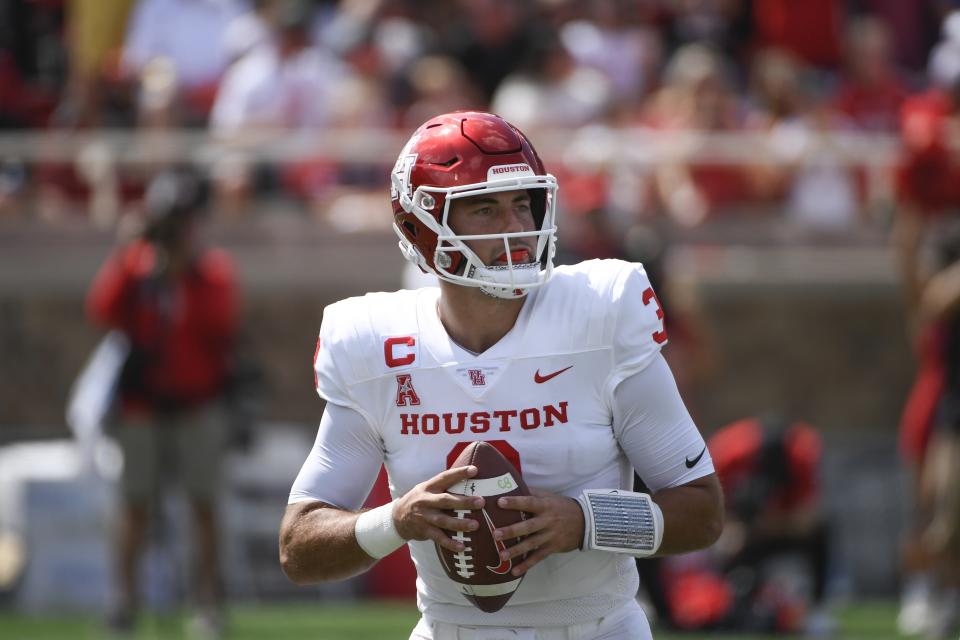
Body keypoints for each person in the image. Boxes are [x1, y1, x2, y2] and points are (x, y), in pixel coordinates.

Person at [279, 111, 724, 639]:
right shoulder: (377, 344)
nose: (515, 228)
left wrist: (584, 523)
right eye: (485, 209)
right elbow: (298, 547)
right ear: (421, 227)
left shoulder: (599, 315)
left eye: (522, 204)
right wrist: (395, 520)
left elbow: (702, 510)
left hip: (597, 628)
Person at [86, 169, 238, 638]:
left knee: (204, 505)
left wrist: (183, 273)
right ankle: (122, 604)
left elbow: (222, 325)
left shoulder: (211, 272)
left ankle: (208, 604)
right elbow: (103, 311)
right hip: (142, 407)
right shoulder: (136, 268)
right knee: (133, 505)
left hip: (198, 405)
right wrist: (127, 255)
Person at [707, 415, 832, 635]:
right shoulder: (729, 452)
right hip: (741, 530)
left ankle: (817, 609)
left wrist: (761, 528)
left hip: (772, 528)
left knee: (821, 532)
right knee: (724, 556)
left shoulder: (803, 454)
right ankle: (732, 604)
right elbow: (707, 502)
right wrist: (729, 530)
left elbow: (807, 519)